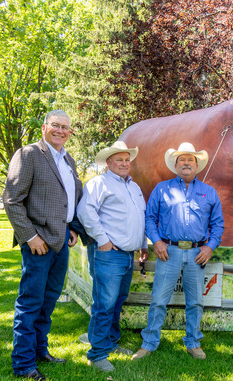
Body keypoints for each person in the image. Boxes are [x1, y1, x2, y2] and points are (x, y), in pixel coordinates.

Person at [3, 110, 83, 380]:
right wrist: (30, 236)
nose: (61, 131)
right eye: (56, 125)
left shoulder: (68, 159)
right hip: (38, 242)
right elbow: (12, 200)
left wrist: (71, 228)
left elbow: (68, 198)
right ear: (44, 127)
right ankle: (24, 363)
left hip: (60, 241)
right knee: (30, 302)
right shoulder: (28, 154)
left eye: (66, 127)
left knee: (48, 302)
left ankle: (39, 351)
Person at [132, 142, 224, 361]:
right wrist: (157, 242)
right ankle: (149, 342)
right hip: (168, 251)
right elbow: (150, 219)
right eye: (181, 159)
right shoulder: (162, 189)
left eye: (190, 159)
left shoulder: (208, 193)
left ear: (197, 165)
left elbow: (218, 224)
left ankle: (193, 342)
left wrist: (210, 246)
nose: (186, 163)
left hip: (196, 254)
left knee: (195, 302)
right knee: (158, 300)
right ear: (175, 165)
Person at [77, 141, 149, 373]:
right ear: (108, 162)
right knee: (104, 304)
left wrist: (141, 244)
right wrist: (103, 240)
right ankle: (97, 354)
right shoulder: (99, 183)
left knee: (117, 302)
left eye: (127, 160)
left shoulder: (134, 187)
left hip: (127, 254)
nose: (124, 164)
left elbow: (138, 217)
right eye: (119, 160)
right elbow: (85, 212)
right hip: (109, 253)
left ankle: (110, 343)